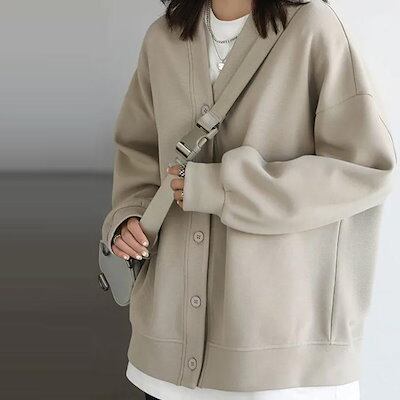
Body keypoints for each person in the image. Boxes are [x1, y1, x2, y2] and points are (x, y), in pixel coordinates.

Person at [100, 0, 397, 399]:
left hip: (284, 364)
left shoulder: (314, 28)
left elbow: (365, 169)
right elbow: (138, 154)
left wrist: (224, 187)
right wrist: (129, 216)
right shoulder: (161, 38)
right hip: (164, 358)